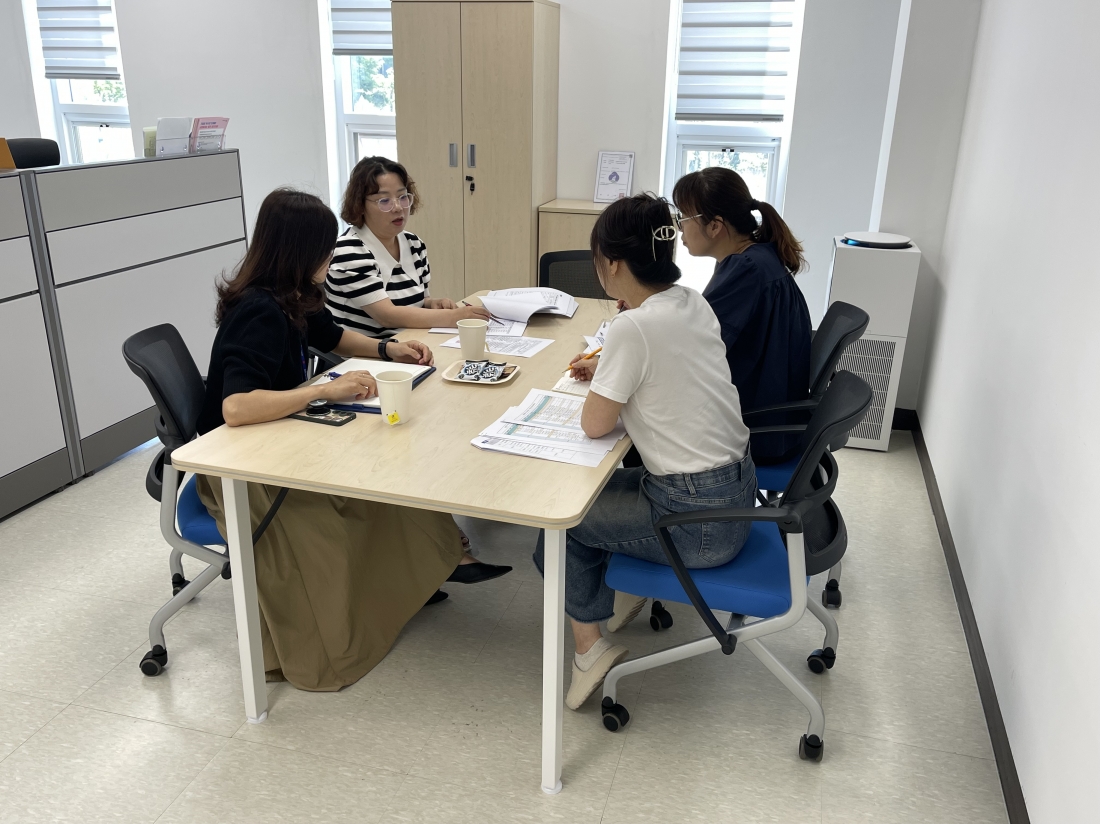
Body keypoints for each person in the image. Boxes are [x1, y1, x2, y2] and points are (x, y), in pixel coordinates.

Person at [195, 188, 510, 691]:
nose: (331, 257)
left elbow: (334, 337)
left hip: (281, 439)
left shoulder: (294, 293)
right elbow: (236, 407)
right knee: (344, 511)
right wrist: (323, 391)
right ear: (300, 251)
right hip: (239, 466)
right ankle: (343, 635)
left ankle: (412, 580)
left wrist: (389, 350)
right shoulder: (258, 310)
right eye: (324, 249)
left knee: (388, 473)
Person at [533, 193, 757, 710]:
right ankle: (622, 592)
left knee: (563, 521)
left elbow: (594, 426)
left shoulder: (633, 327)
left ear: (612, 263)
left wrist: (612, 362)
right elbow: (671, 367)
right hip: (737, 491)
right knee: (601, 493)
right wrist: (613, 362)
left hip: (696, 520)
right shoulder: (691, 301)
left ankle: (589, 650)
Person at [672, 167, 812, 464]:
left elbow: (695, 346)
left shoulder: (745, 270)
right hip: (772, 415)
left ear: (715, 226)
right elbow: (706, 323)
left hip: (753, 427)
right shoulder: (757, 257)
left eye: (683, 218)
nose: (680, 229)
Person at [325, 156, 490, 337]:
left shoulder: (414, 244)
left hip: (410, 341)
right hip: (368, 350)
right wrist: (454, 317)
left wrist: (432, 304)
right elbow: (387, 316)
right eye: (384, 201)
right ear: (360, 205)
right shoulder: (349, 250)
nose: (398, 207)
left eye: (403, 197)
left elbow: (419, 301)